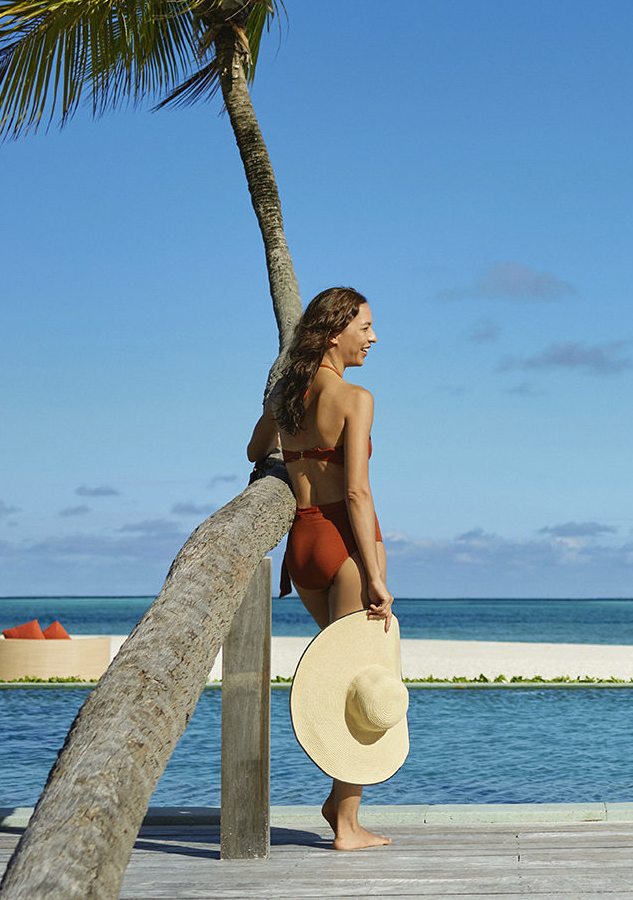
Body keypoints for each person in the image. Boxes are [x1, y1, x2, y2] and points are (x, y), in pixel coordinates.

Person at [246, 286, 394, 850]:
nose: (373, 337)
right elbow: (357, 493)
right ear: (336, 332)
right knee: (361, 680)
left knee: (344, 673)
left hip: (303, 544)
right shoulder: (357, 399)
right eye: (365, 326)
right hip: (346, 546)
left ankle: (340, 803)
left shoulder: (289, 392)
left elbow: (257, 446)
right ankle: (347, 823)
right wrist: (376, 576)